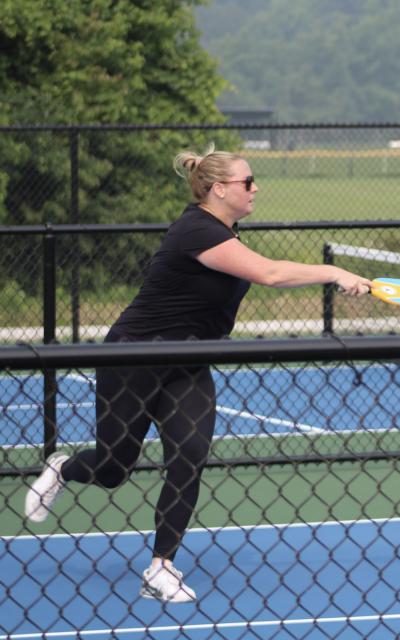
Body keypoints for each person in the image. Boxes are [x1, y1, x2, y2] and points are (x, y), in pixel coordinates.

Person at [24, 145, 372, 604]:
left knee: (189, 453)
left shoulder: (226, 232)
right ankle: (64, 466)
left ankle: (160, 567)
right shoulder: (195, 230)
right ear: (219, 188)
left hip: (188, 366)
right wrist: (333, 271)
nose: (256, 188)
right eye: (248, 182)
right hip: (133, 359)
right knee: (113, 469)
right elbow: (268, 273)